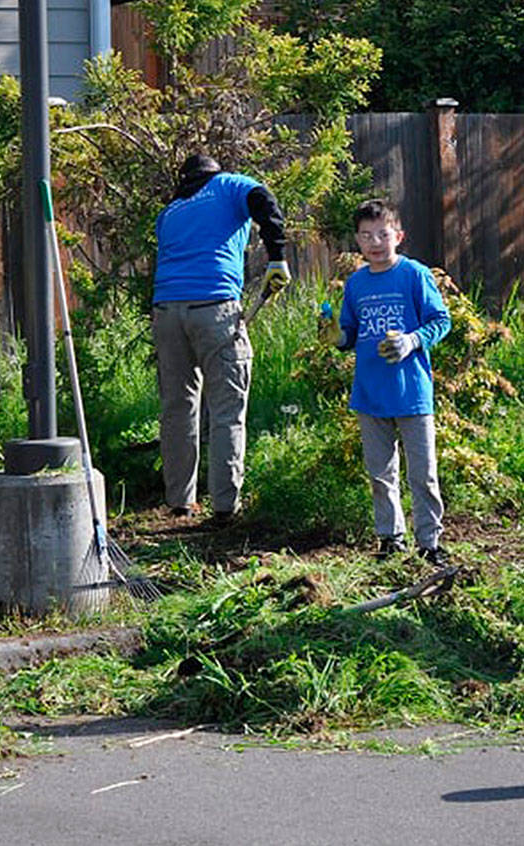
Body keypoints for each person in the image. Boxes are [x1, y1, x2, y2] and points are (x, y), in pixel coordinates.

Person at [151, 154, 291, 522]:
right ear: (213, 174)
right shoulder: (229, 184)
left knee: (178, 409)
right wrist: (277, 256)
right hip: (213, 307)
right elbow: (264, 200)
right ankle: (225, 507)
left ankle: (180, 502)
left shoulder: (169, 212)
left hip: (166, 312)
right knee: (227, 409)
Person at [319, 199, 451, 564]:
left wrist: (412, 340)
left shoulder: (414, 275)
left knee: (423, 476)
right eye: (366, 236)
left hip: (411, 393)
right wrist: (334, 336)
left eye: (382, 234)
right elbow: (349, 334)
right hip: (370, 393)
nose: (375, 242)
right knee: (380, 474)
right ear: (357, 241)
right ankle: (391, 540)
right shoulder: (357, 283)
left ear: (398, 235)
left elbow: (441, 321)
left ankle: (430, 545)